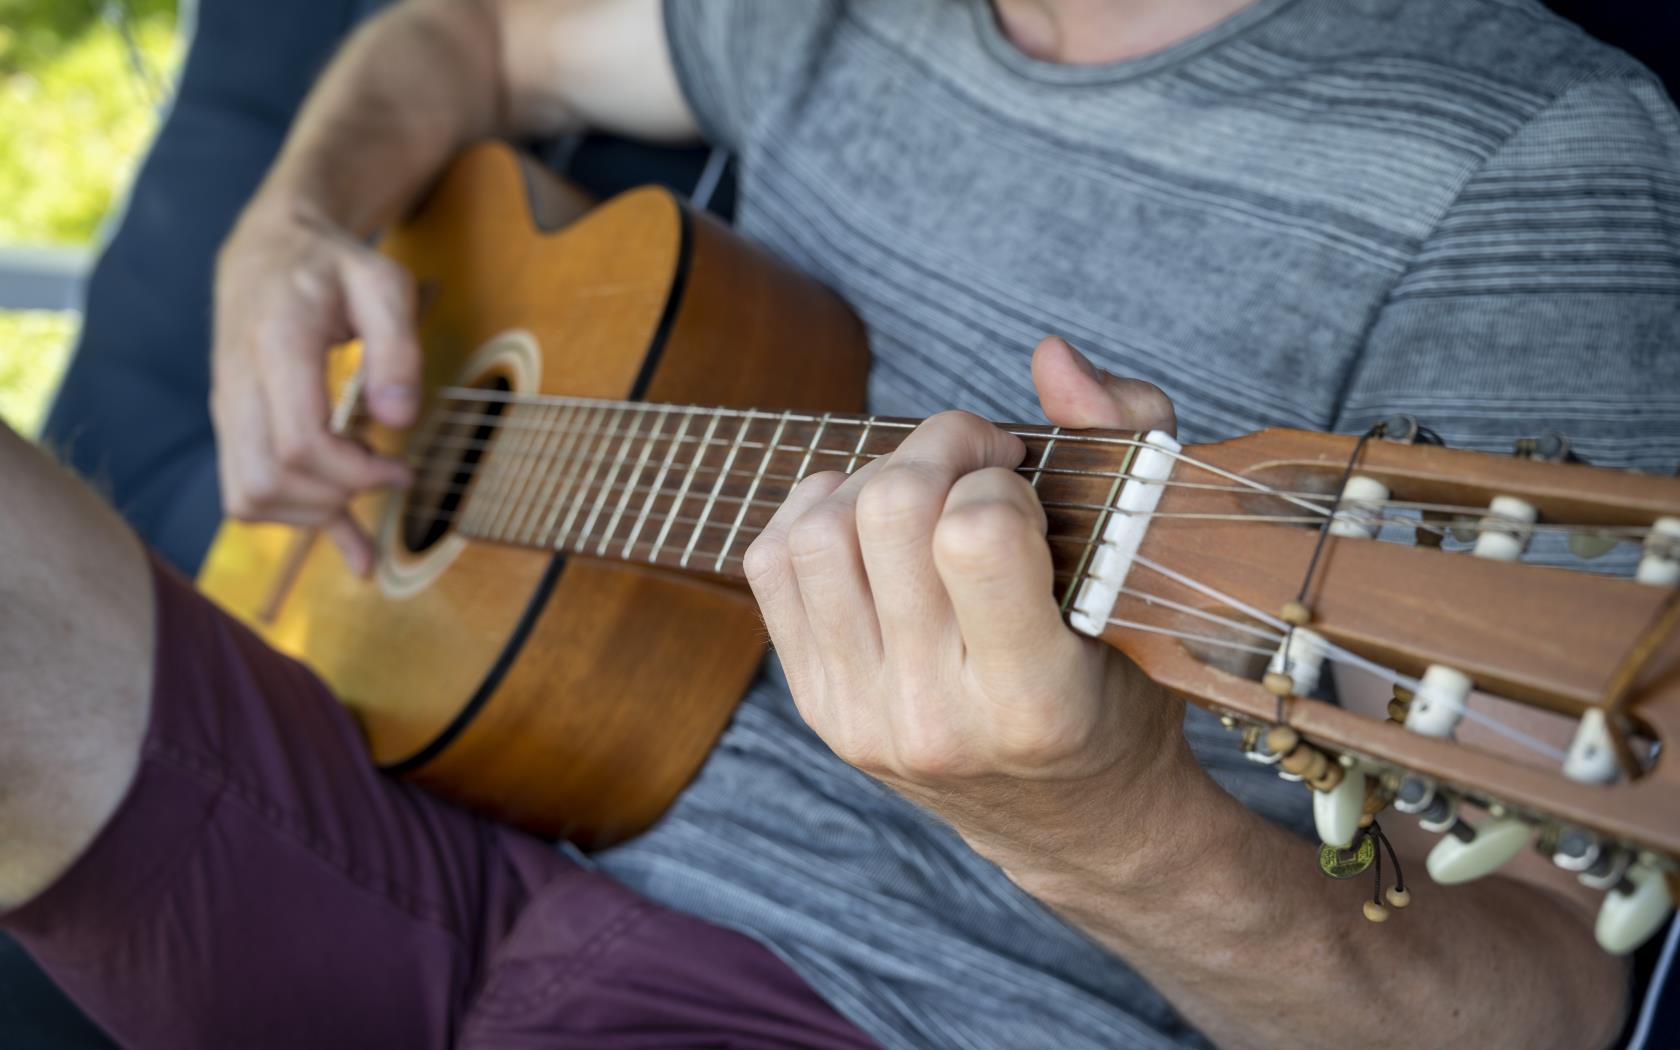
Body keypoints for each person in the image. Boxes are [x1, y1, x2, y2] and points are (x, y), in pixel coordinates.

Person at [3, 0, 1677, 1045]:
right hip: (411, 802)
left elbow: (1548, 988)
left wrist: (1107, 827)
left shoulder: (1522, 154)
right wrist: (284, 228)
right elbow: (471, 31)